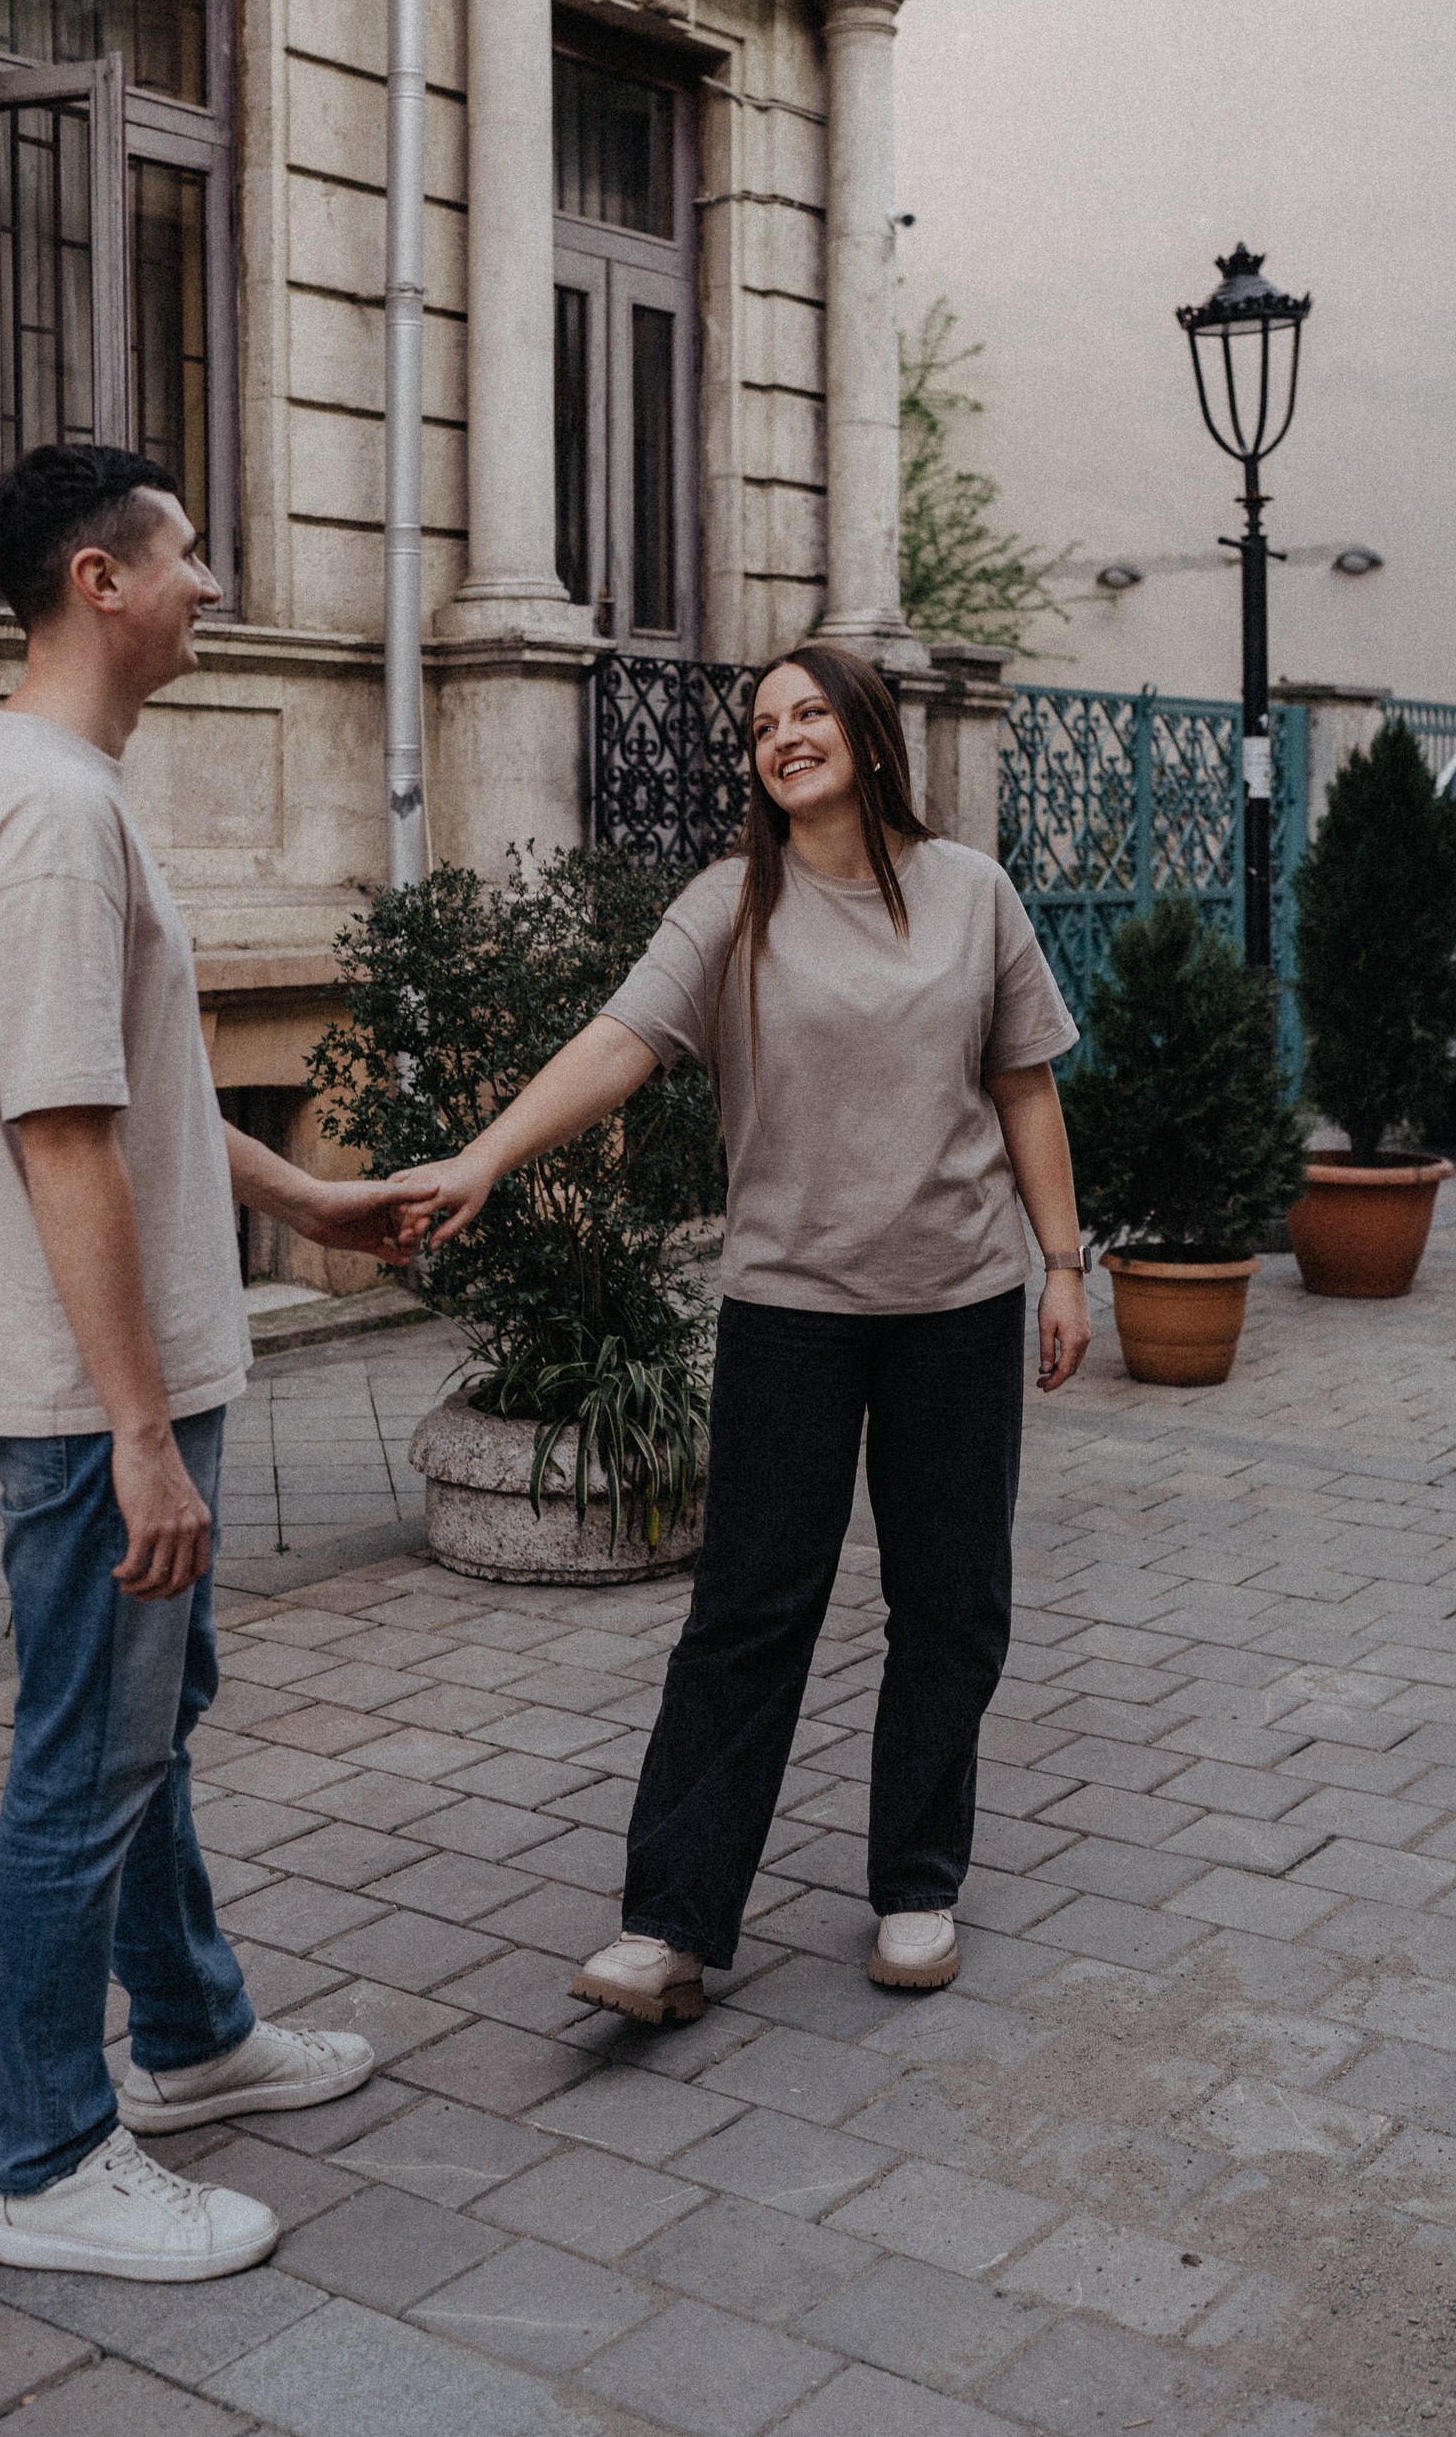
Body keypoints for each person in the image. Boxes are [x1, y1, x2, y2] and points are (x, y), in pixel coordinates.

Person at [395, 642, 1091, 2024]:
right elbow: (616, 1043)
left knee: (951, 1606)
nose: (783, 736)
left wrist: (1064, 1264)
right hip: (790, 1313)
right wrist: (483, 1156)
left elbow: (1025, 1092)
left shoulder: (973, 894)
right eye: (764, 724)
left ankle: (915, 1884)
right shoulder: (731, 906)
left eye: (809, 711)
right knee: (746, 1615)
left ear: (869, 730)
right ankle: (670, 1925)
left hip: (959, 1302)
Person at [0, 444, 423, 2281]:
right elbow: (62, 1135)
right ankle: (51, 2163)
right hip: (86, 1398)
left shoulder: (63, 791)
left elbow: (142, 1100)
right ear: (98, 582)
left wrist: (309, 1204)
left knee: (142, 1733)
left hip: (119, 1378)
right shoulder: (49, 816)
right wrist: (140, 1432)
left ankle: (192, 2036)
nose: (212, 583)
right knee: (86, 1765)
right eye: (186, 554)